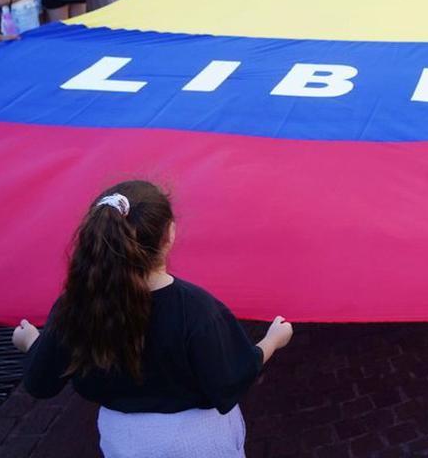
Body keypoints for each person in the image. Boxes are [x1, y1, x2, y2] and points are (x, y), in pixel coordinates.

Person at [16, 181, 294, 457]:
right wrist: (271, 341)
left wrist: (33, 343)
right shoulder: (197, 311)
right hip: (200, 441)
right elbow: (230, 380)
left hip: (123, 442)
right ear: (169, 234)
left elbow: (43, 381)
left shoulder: (75, 307)